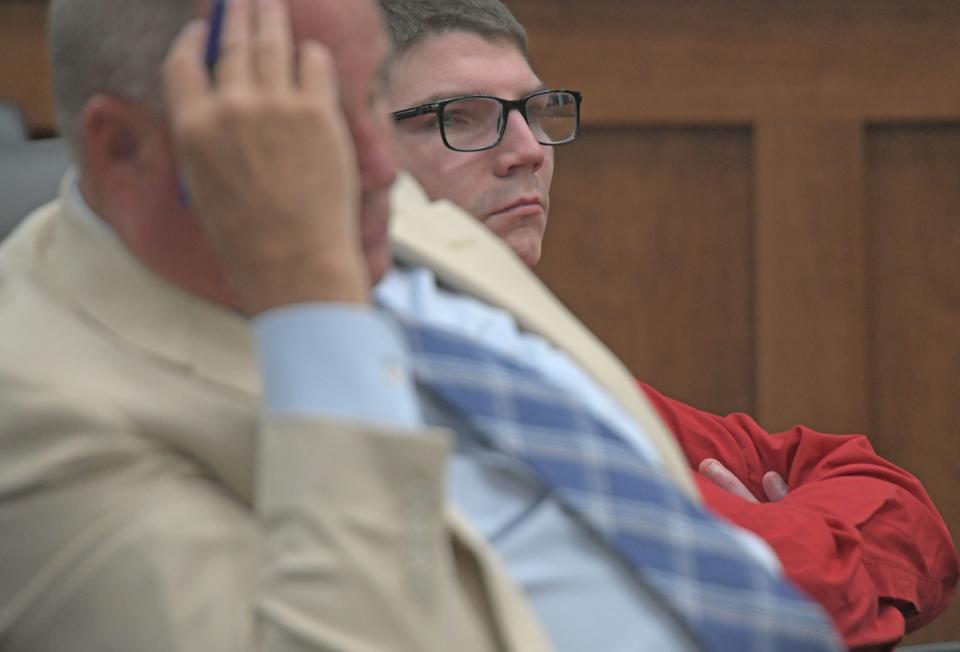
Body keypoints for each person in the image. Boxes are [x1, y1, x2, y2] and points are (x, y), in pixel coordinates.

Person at [0, 0, 846, 650]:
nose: (380, 167)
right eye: (305, 124)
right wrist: (311, 304)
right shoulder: (36, 414)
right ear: (124, 150)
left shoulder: (392, 214)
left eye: (373, 99)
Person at [378, 0, 960, 649]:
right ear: (355, 150)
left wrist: (758, 540)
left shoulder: (538, 354)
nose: (529, 151)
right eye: (460, 118)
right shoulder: (401, 376)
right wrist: (773, 537)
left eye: (535, 112)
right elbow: (756, 609)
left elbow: (902, 504)